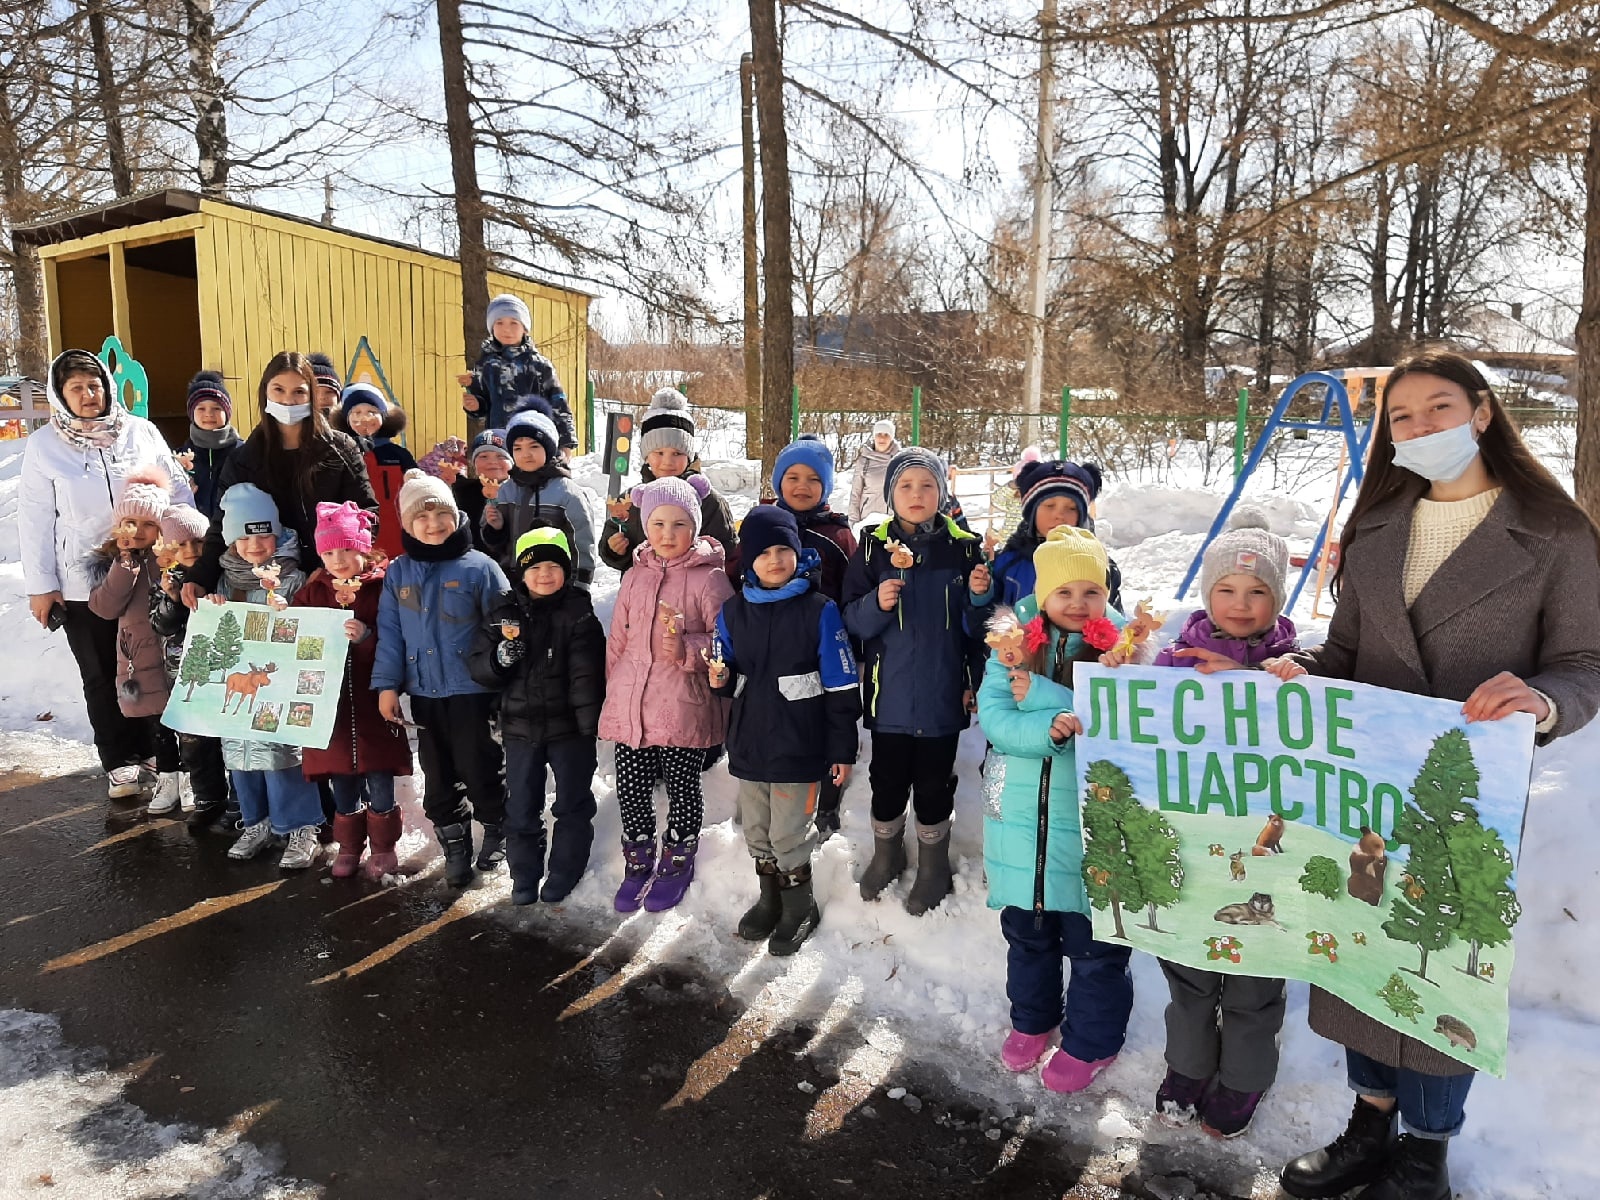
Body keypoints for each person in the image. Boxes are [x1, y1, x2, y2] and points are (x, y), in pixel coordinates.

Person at [1274, 351, 1600, 1200]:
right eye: (1403, 418)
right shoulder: (1377, 528)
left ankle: (1429, 1148)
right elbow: (1342, 653)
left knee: (1443, 959)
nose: (1419, 429)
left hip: (1469, 794)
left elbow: (1584, 664)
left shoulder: (1555, 534)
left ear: (1483, 412)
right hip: (1365, 786)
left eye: (1439, 408)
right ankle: (1369, 1123)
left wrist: (1541, 698)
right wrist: (1299, 670)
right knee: (1359, 946)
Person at [1111, 507, 1301, 1137]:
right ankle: (1187, 1069)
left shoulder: (1293, 666)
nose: (1241, 604)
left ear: (1277, 598)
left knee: (1254, 976)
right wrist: (1107, 695)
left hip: (1263, 850)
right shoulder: (1173, 662)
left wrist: (1255, 682)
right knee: (1188, 967)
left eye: (1258, 592)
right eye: (1226, 590)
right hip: (1192, 843)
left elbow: (1314, 735)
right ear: (1206, 593)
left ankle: (1244, 1081)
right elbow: (1137, 733)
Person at [977, 526, 1134, 1093]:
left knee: (1096, 948)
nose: (1077, 602)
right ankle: (1032, 1019)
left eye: (1090, 591)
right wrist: (1055, 727)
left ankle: (1093, 1041)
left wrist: (1044, 701)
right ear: (1042, 595)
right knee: (1028, 932)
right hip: (1020, 824)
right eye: (1064, 591)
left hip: (1094, 828)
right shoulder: (1013, 645)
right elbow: (998, 722)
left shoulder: (1123, 652)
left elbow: (1122, 723)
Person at [18, 348, 193, 799]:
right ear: (61, 395)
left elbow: (177, 494)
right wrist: (43, 587)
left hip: (149, 575)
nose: (87, 394)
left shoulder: (140, 432)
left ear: (108, 388)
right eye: (75, 387)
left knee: (150, 663)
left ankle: (155, 752)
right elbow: (35, 518)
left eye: (93, 385)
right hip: (82, 581)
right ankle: (118, 761)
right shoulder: (45, 446)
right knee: (99, 673)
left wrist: (186, 554)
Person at [841, 447, 989, 915]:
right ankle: (887, 855)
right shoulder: (871, 547)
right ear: (889, 494)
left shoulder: (965, 548)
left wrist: (981, 598)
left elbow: (980, 632)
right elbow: (850, 623)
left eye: (927, 485)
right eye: (905, 486)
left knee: (933, 785)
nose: (916, 494)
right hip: (890, 698)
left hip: (943, 696)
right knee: (886, 782)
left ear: (942, 493)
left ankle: (933, 866)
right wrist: (877, 604)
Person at [708, 506, 859, 955]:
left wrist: (842, 749)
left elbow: (842, 684)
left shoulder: (820, 611)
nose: (774, 560)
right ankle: (770, 899)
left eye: (783, 550)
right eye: (763, 553)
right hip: (752, 741)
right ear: (748, 560)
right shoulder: (733, 612)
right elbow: (728, 673)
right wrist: (717, 678)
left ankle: (800, 907)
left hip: (801, 742)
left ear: (798, 553)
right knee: (757, 830)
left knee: (789, 833)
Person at [598, 474, 734, 913]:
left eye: (678, 525)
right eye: (657, 524)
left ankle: (677, 857)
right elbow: (618, 639)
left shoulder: (709, 578)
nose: (667, 535)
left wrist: (688, 647)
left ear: (694, 527)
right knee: (632, 787)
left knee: (681, 786)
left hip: (683, 702)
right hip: (632, 704)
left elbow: (726, 640)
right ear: (645, 526)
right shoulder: (635, 577)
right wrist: (611, 691)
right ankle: (638, 858)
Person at [373, 472, 511, 887]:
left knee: (482, 767)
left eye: (440, 513)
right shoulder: (400, 573)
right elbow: (391, 633)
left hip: (473, 691)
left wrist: (500, 670)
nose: (432, 524)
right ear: (407, 525)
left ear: (456, 516)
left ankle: (496, 828)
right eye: (421, 517)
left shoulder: (480, 568)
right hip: (425, 693)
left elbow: (504, 623)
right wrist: (386, 686)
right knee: (437, 777)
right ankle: (455, 846)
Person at [469, 528, 605, 904]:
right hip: (519, 728)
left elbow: (589, 676)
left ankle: (564, 870)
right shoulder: (503, 613)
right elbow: (477, 665)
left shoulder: (579, 613)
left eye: (553, 566)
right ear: (521, 573)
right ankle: (524, 875)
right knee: (521, 806)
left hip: (570, 731)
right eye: (535, 567)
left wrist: (589, 727)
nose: (545, 574)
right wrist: (500, 660)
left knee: (572, 803)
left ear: (567, 570)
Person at [186, 351, 375, 595]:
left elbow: (366, 514)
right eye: (278, 390)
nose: (288, 400)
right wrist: (200, 577)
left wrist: (332, 565)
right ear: (265, 393)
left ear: (311, 396)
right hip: (270, 586)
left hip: (333, 582)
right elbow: (222, 525)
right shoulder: (244, 460)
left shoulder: (341, 450)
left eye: (299, 392)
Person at [293, 502, 414, 880]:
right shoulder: (313, 591)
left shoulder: (382, 588)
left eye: (346, 549)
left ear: (364, 547)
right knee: (341, 779)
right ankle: (348, 846)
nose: (338, 560)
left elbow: (398, 642)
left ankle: (383, 847)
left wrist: (366, 638)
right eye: (329, 552)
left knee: (379, 780)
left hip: (372, 704)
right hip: (330, 712)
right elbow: (293, 639)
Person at [210, 483, 326, 870]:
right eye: (244, 537)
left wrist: (289, 609)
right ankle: (256, 820)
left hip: (278, 688)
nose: (255, 544)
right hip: (240, 683)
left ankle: (300, 825)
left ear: (277, 534)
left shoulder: (294, 578)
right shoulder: (227, 580)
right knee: (241, 756)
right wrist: (213, 606)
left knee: (283, 756)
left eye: (263, 534)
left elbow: (311, 626)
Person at [768, 435, 858, 840]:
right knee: (779, 717)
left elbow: (853, 590)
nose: (801, 485)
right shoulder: (765, 523)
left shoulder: (838, 536)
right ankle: (776, 788)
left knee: (822, 722)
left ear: (826, 487)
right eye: (792, 476)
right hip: (772, 644)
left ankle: (827, 800)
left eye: (812, 479)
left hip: (822, 646)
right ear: (777, 481)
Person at [85, 467, 180, 803]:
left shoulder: (170, 560)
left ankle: (190, 778)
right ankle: (167, 774)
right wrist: (124, 565)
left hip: (171, 651)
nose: (138, 532)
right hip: (137, 656)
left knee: (181, 717)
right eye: (130, 523)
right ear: (119, 526)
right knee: (155, 719)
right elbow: (104, 608)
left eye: (148, 525)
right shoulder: (113, 563)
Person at [148, 503, 232, 830]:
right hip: (185, 677)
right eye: (181, 545)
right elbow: (161, 625)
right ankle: (207, 799)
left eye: (198, 542)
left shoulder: (217, 576)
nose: (191, 550)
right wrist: (170, 598)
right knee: (194, 744)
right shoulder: (166, 582)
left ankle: (233, 802)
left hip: (220, 672)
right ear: (169, 551)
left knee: (225, 738)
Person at [599, 389, 738, 581]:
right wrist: (614, 549)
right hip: (642, 595)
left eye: (677, 453)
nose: (668, 462)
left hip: (694, 594)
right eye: (659, 453)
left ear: (689, 456)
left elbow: (727, 553)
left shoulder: (709, 501)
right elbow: (615, 539)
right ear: (646, 456)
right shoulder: (631, 500)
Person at [983, 457, 1123, 614]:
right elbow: (978, 627)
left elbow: (1116, 626)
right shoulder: (1009, 562)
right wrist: (980, 596)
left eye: (1071, 508)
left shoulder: (1099, 565)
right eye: (1049, 506)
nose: (1059, 515)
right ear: (1032, 512)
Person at [481, 404, 596, 588]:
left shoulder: (567, 493)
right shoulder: (504, 491)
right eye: (517, 448)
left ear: (549, 449)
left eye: (534, 446)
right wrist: (495, 529)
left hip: (554, 585)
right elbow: (491, 543)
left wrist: (580, 585)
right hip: (512, 583)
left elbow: (582, 542)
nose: (525, 454)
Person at [462, 293, 577, 451]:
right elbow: (483, 403)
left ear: (525, 329)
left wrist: (566, 444)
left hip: (534, 443)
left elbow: (559, 404)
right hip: (499, 443)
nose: (506, 329)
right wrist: (475, 406)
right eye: (499, 323)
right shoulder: (485, 365)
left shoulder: (539, 366)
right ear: (491, 328)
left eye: (514, 323)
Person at [330, 382, 417, 561]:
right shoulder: (341, 452)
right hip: (358, 532)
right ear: (346, 418)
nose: (365, 418)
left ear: (384, 417)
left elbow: (415, 478)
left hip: (397, 529)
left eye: (372, 412)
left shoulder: (396, 453)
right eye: (357, 413)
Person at [175, 371, 241, 518]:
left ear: (227, 412)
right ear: (192, 413)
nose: (209, 414)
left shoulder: (244, 453)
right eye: (201, 408)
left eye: (217, 408)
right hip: (193, 538)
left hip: (235, 536)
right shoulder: (179, 459)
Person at [450, 429, 511, 554]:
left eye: (501, 456)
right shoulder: (463, 492)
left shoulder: (519, 492)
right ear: (474, 465)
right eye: (483, 456)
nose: (492, 462)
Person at [848, 419, 899, 526]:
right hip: (867, 520)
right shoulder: (864, 461)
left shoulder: (899, 460)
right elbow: (855, 494)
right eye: (879, 434)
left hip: (892, 521)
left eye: (886, 435)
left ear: (892, 437)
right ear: (874, 436)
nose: (882, 438)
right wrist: (853, 522)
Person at [307, 353, 343, 423]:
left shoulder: (349, 426)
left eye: (329, 392)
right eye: (315, 392)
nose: (322, 397)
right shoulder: (297, 429)